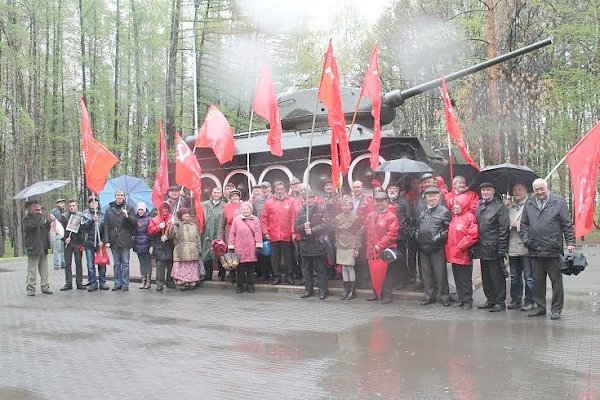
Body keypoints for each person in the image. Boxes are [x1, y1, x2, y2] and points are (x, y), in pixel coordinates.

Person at [521, 178, 575, 320]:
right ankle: (540, 307)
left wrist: (570, 242)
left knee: (556, 283)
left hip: (553, 249)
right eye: (536, 189)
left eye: (541, 189)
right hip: (535, 249)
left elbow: (566, 224)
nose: (539, 192)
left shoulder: (559, 202)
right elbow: (524, 224)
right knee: (538, 282)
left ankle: (556, 309)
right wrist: (526, 240)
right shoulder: (529, 203)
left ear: (547, 187)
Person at [475, 182, 510, 312]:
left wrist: (501, 248)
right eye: (483, 190)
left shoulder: (499, 207)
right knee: (486, 276)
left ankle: (500, 302)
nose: (485, 192)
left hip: (494, 247)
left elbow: (503, 229)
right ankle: (490, 299)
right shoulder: (480, 205)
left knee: (497, 276)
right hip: (482, 247)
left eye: (488, 190)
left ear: (493, 191)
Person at [416, 187, 452, 306]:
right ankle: (428, 296)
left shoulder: (444, 211)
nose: (431, 198)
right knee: (426, 274)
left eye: (434, 196)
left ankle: (444, 297)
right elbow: (418, 227)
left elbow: (447, 230)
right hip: (423, 247)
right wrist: (417, 235)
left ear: (439, 197)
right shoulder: (423, 212)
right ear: (425, 198)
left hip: (437, 248)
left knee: (440, 274)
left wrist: (437, 238)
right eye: (429, 196)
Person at [364, 192, 399, 304]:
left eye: (381, 201)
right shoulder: (371, 214)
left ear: (386, 202)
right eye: (377, 201)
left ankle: (387, 295)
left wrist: (380, 244)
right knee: (374, 272)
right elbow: (367, 230)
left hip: (384, 249)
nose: (379, 203)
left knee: (386, 274)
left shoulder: (391, 216)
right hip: (372, 249)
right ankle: (376, 293)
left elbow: (392, 234)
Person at [445, 196, 479, 309]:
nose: (455, 207)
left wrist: (460, 247)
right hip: (454, 254)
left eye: (458, 204)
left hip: (463, 254)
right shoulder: (454, 218)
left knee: (465, 279)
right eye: (454, 205)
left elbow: (472, 235)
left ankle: (468, 300)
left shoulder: (470, 217)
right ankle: (461, 299)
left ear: (464, 205)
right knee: (457, 279)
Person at [505, 183, 534, 311]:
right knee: (515, 276)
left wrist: (520, 226)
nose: (517, 192)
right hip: (512, 246)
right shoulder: (509, 206)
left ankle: (530, 300)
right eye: (515, 189)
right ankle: (516, 299)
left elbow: (535, 225)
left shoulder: (531, 205)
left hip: (526, 248)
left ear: (526, 191)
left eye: (520, 189)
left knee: (529, 276)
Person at [295, 190, 329, 299]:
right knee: (306, 270)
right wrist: (303, 227)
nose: (307, 200)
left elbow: (326, 224)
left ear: (314, 199)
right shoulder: (301, 211)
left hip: (317, 242)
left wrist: (313, 230)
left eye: (310, 198)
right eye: (305, 198)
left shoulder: (321, 209)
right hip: (305, 244)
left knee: (320, 269)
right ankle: (308, 290)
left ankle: (323, 290)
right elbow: (296, 227)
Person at [261, 181, 295, 285]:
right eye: (277, 189)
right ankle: (277, 276)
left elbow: (294, 218)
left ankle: (289, 275)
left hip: (286, 234)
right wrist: (266, 232)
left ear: (285, 189)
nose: (279, 191)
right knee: (274, 258)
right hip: (274, 234)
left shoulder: (291, 201)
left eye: (281, 189)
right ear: (274, 190)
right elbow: (264, 219)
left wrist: (293, 232)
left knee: (289, 257)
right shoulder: (269, 202)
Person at [103, 189, 137, 291]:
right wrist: (107, 240)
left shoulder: (129, 208)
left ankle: (125, 283)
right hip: (113, 241)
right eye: (118, 195)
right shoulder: (109, 209)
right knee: (117, 263)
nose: (119, 197)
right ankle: (117, 283)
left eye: (121, 195)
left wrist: (127, 216)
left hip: (125, 240)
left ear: (124, 196)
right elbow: (106, 226)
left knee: (125, 263)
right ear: (115, 196)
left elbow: (134, 223)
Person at [228, 202, 262, 293]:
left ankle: (250, 285)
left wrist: (258, 245)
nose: (245, 210)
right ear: (241, 210)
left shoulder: (255, 220)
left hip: (251, 247)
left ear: (250, 209)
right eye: (243, 209)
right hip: (239, 247)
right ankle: (240, 286)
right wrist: (231, 246)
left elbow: (258, 233)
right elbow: (232, 233)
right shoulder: (236, 220)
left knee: (251, 268)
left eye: (247, 209)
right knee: (240, 268)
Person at [22, 200, 53, 296]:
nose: (37, 209)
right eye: (34, 207)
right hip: (33, 246)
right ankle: (31, 289)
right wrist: (39, 215)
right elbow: (34, 226)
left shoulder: (40, 218)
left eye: (37, 207)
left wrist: (48, 222)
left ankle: (45, 287)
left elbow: (45, 229)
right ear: (29, 208)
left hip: (42, 246)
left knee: (44, 270)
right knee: (32, 269)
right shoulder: (26, 219)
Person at [80, 196, 109, 291]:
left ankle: (102, 282)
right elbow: (83, 227)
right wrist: (91, 220)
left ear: (98, 203)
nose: (93, 203)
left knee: (102, 263)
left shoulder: (103, 214)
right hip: (89, 242)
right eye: (91, 202)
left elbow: (105, 229)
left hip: (100, 243)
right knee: (90, 264)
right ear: (89, 204)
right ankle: (93, 283)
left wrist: (104, 241)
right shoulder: (85, 214)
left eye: (95, 202)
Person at [334, 196, 361, 300]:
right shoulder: (337, 218)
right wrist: (336, 243)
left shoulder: (355, 218)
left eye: (347, 205)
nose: (345, 207)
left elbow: (358, 233)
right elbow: (336, 232)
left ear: (351, 206)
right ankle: (345, 290)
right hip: (341, 243)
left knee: (350, 267)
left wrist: (357, 248)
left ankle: (352, 291)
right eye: (343, 205)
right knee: (343, 267)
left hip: (351, 243)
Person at [170, 208, 201, 289]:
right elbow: (172, 238)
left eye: (188, 213)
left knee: (191, 266)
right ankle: (183, 282)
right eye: (184, 214)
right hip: (181, 250)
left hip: (192, 250)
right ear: (180, 216)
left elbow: (197, 238)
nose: (187, 215)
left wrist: (199, 249)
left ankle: (191, 282)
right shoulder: (176, 225)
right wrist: (171, 228)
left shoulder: (193, 225)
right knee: (182, 266)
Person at [147, 201, 174, 291]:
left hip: (170, 243)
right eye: (163, 209)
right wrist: (158, 227)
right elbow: (150, 231)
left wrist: (168, 235)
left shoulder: (172, 218)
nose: (165, 210)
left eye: (166, 209)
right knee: (160, 264)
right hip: (158, 243)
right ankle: (159, 283)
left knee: (170, 264)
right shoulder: (154, 220)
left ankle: (170, 281)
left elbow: (175, 230)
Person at [59, 199, 85, 291]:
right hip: (68, 243)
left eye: (73, 205)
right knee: (67, 264)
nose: (71, 207)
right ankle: (68, 283)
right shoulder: (63, 216)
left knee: (79, 264)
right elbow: (60, 231)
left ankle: (79, 282)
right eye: (70, 206)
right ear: (67, 207)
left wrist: (82, 243)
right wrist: (64, 239)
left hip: (78, 243)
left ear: (76, 206)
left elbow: (84, 230)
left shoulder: (81, 216)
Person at [218, 189, 242, 280]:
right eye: (232, 196)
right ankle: (232, 274)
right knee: (231, 255)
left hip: (241, 234)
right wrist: (220, 238)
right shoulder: (226, 208)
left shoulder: (244, 206)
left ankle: (240, 274)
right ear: (230, 198)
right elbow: (221, 225)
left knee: (240, 254)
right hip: (229, 233)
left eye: (236, 196)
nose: (235, 197)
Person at [201, 187, 224, 281]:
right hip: (207, 232)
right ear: (212, 193)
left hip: (218, 232)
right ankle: (208, 274)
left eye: (218, 192)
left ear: (221, 194)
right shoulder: (204, 204)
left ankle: (222, 273)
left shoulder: (224, 205)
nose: (216, 194)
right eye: (215, 192)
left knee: (220, 252)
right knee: (207, 254)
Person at [133, 202, 152, 289]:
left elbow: (151, 232)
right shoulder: (134, 219)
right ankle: (143, 280)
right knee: (141, 263)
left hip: (146, 243)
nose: (140, 211)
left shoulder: (149, 219)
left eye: (142, 209)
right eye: (139, 209)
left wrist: (151, 245)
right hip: (138, 243)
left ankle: (148, 281)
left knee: (147, 262)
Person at [49, 198, 66, 270]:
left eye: (63, 203)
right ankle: (56, 264)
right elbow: (51, 220)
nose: (63, 204)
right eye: (61, 203)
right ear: (57, 204)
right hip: (56, 232)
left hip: (63, 232)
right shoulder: (53, 211)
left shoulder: (65, 211)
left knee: (63, 249)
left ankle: (63, 263)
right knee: (56, 249)